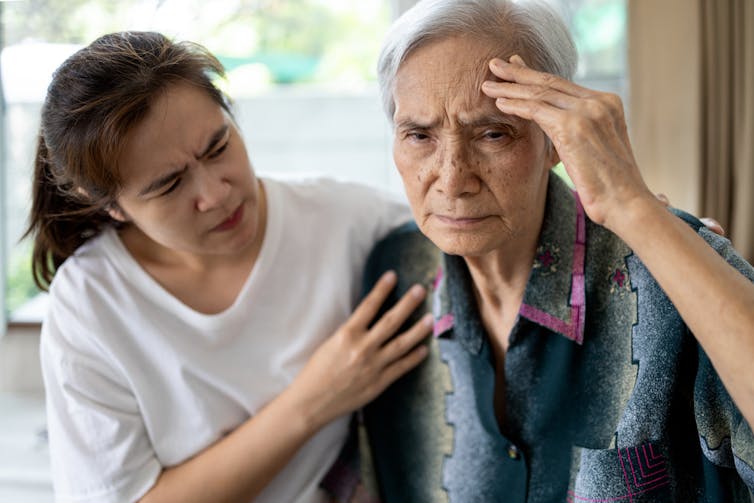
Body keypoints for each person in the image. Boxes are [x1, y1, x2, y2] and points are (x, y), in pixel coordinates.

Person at [359, 0, 754, 501]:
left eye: (493, 133)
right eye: (419, 135)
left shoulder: (673, 269)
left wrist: (632, 205)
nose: (453, 179)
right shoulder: (396, 274)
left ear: (554, 140)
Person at [27, 31, 435, 503]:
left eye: (218, 147)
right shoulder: (90, 304)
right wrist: (314, 400)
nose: (216, 194)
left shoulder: (341, 219)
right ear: (112, 207)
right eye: (169, 185)